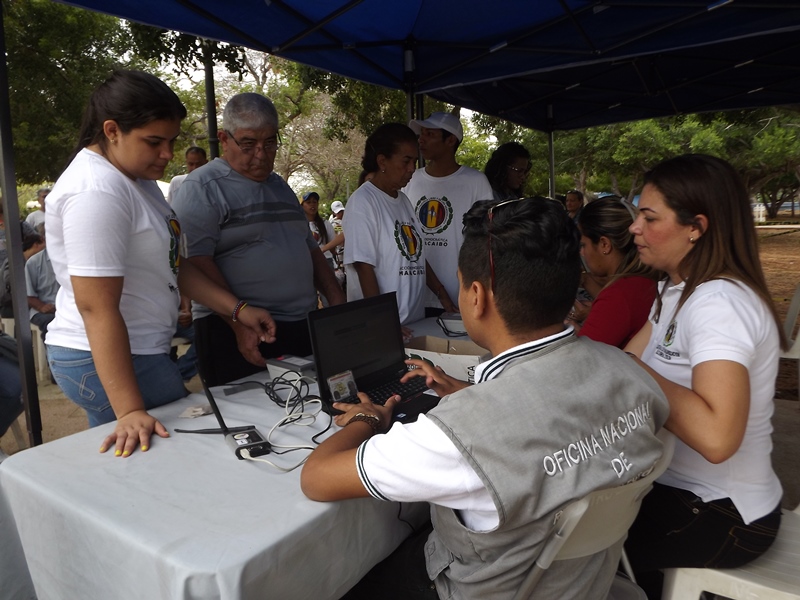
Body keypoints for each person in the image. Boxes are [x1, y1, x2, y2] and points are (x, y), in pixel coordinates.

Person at [302, 198, 669, 600]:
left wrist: (368, 418)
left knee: (357, 575)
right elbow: (555, 415)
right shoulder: (631, 372)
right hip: (580, 585)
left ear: (476, 295)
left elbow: (317, 478)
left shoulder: (460, 437)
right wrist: (470, 393)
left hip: (485, 590)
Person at [45, 70, 275, 458]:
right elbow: (95, 307)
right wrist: (130, 409)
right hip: (104, 354)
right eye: (154, 142)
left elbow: (172, 264)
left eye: (170, 141)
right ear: (112, 130)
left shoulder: (134, 177)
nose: (167, 154)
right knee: (166, 463)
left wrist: (236, 309)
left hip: (140, 350)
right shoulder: (96, 191)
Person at [623, 154, 785, 598]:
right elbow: (621, 366)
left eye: (648, 216)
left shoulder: (719, 303)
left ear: (696, 226)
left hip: (723, 512)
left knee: (579, 549)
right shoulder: (675, 291)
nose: (634, 227)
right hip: (680, 491)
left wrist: (635, 373)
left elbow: (717, 437)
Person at [173, 92, 344, 386]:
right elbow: (197, 263)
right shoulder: (202, 187)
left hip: (299, 326)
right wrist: (239, 322)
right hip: (233, 330)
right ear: (224, 139)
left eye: (270, 143)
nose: (261, 154)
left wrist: (338, 301)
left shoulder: (281, 187)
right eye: (248, 144)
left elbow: (310, 250)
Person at [342, 123, 457, 325]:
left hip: (412, 322)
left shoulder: (403, 200)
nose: (412, 168)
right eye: (406, 161)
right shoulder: (363, 201)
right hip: (384, 328)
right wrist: (383, 320)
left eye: (414, 161)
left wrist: (440, 291)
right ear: (382, 161)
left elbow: (416, 254)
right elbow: (363, 266)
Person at [403, 112, 493, 315]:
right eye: (421, 134)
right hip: (415, 295)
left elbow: (485, 241)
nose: (421, 140)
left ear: (450, 140)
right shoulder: (410, 180)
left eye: (430, 134)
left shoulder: (475, 181)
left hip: (459, 297)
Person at [565, 196, 658, 348]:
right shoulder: (643, 281)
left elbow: (586, 359)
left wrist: (572, 331)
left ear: (604, 245)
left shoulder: (619, 295)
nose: (582, 253)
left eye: (584, 245)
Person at [25, 224, 60, 340]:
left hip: (69, 309)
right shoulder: (34, 262)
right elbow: (28, 295)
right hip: (44, 311)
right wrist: (42, 307)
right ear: (44, 238)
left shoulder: (74, 259)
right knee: (51, 323)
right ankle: (51, 357)